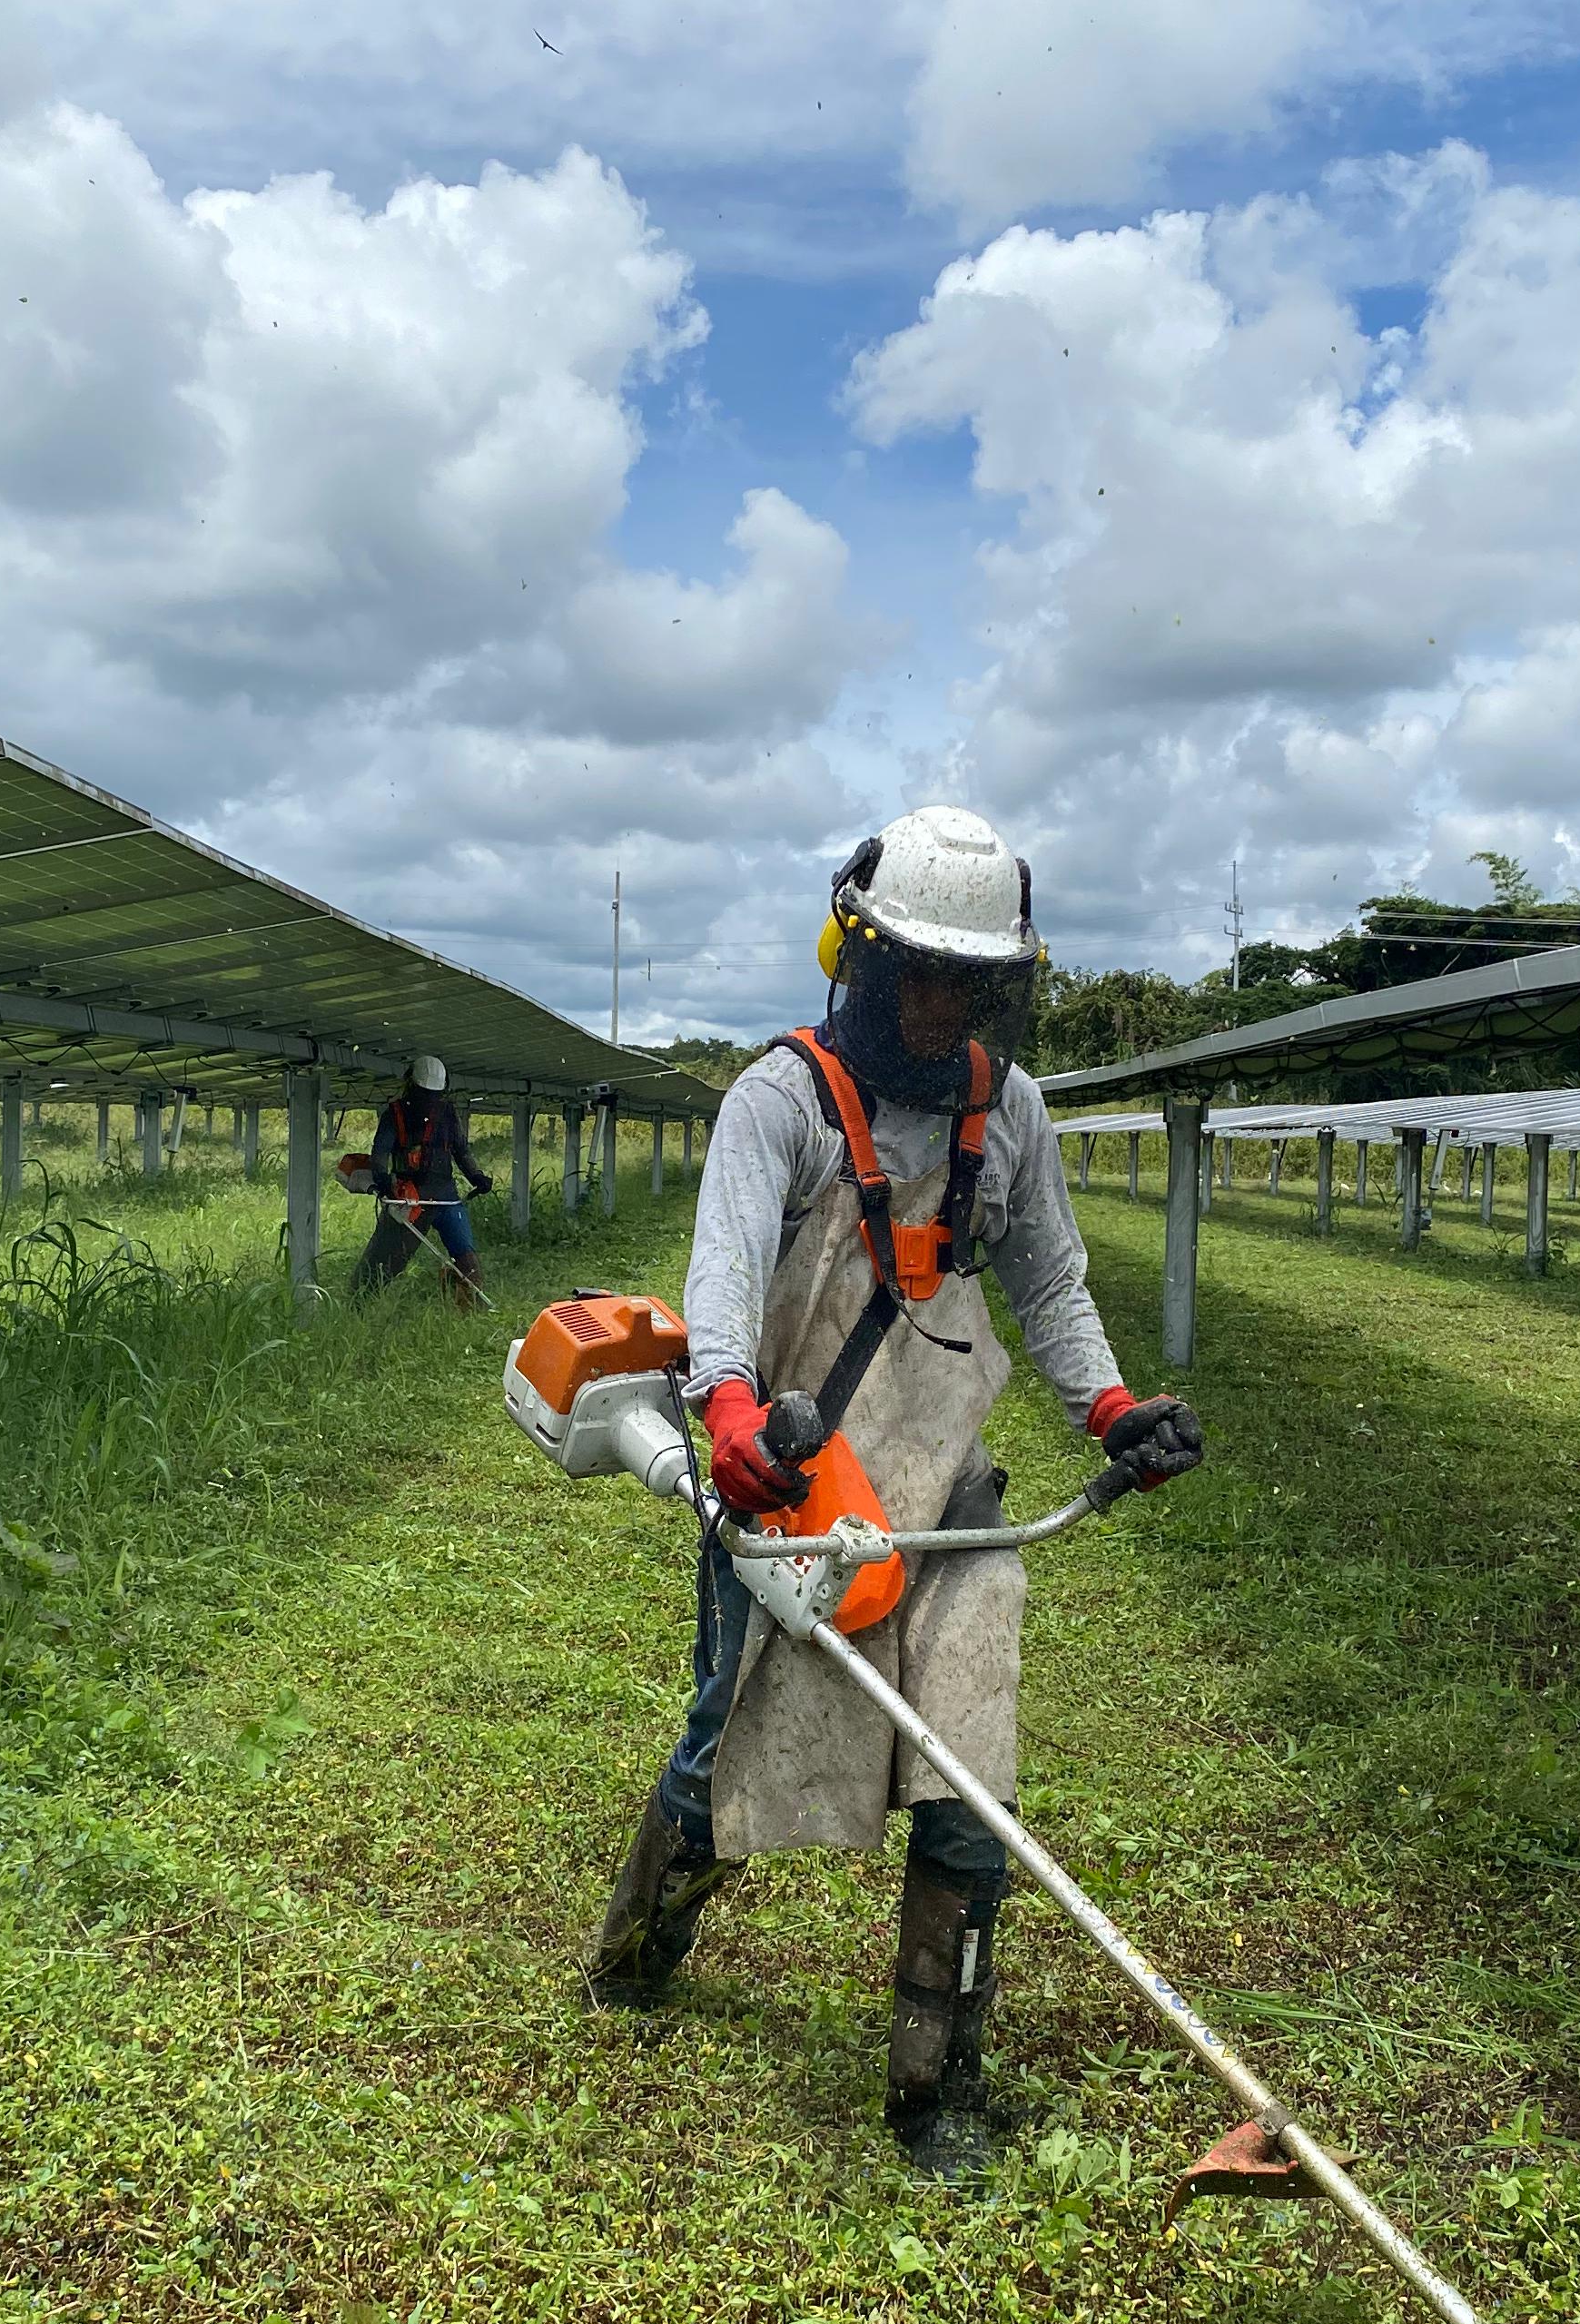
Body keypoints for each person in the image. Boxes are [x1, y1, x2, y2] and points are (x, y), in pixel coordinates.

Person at [585, 805, 1206, 2170]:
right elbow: (725, 1283)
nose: (944, 1004)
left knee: (972, 1772)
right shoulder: (781, 1100)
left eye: (973, 981)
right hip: (796, 1485)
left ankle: (938, 2093)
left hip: (952, 1499)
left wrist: (1110, 1408)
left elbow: (1048, 1283)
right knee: (730, 1735)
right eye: (921, 972)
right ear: (856, 957)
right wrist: (733, 1412)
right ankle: (637, 1944)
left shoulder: (1012, 1109)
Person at [351, 1054, 494, 1308]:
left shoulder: (447, 1113)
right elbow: (379, 1155)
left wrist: (477, 1177)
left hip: (446, 1197)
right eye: (423, 1095)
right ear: (411, 1087)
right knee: (391, 1258)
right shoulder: (394, 1114)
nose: (428, 1101)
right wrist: (384, 1185)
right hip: (411, 1197)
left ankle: (473, 1311)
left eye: (433, 1096)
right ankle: (359, 1301)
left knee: (466, 1258)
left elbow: (461, 1150)